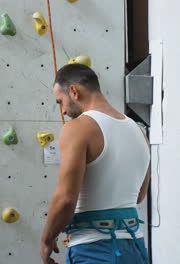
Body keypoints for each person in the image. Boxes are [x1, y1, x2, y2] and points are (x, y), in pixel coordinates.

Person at [40, 64, 150, 264]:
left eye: (60, 101)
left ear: (74, 91)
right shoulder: (138, 131)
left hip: (95, 249)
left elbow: (65, 199)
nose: (63, 111)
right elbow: (140, 195)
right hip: (135, 248)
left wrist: (47, 240)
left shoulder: (78, 128)